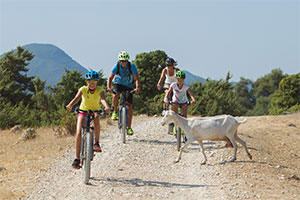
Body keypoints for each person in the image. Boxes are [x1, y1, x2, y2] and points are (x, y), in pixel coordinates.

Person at [66, 70, 111, 169]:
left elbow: (103, 99)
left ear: (97, 83)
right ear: (87, 82)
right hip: (83, 110)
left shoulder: (100, 90)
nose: (92, 84)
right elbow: (76, 98)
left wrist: (107, 107)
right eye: (90, 82)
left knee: (96, 120)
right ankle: (77, 158)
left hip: (95, 110)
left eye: (94, 82)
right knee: (78, 133)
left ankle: (96, 143)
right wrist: (70, 105)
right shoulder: (83, 89)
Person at [107, 51, 140, 135]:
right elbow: (110, 77)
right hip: (118, 83)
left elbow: (136, 78)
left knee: (129, 106)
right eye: (121, 61)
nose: (123, 62)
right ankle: (114, 111)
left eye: (125, 61)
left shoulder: (131, 66)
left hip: (128, 85)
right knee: (116, 95)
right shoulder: (117, 66)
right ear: (119, 61)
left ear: (127, 60)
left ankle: (129, 127)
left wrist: (137, 87)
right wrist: (108, 87)